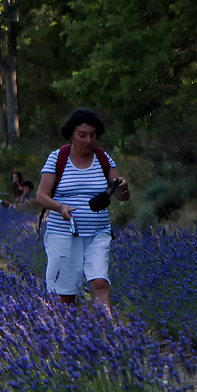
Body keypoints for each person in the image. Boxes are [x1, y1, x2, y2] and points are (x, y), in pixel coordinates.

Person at [35, 109, 129, 308]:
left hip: (98, 233)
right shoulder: (57, 158)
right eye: (82, 135)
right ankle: (65, 335)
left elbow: (121, 197)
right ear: (71, 135)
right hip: (63, 235)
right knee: (65, 294)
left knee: (100, 283)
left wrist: (123, 187)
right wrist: (60, 207)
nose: (88, 140)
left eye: (92, 135)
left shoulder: (103, 158)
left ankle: (108, 334)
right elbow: (41, 196)